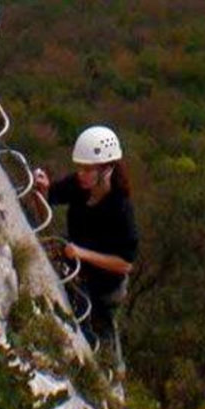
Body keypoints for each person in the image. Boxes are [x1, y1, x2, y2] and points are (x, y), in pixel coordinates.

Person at [32, 125, 139, 376]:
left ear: (106, 169)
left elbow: (125, 264)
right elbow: (49, 200)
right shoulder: (79, 185)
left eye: (88, 169)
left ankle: (112, 382)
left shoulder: (121, 209)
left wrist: (82, 253)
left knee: (102, 339)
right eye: (80, 166)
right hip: (79, 271)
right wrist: (41, 188)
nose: (81, 173)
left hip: (106, 288)